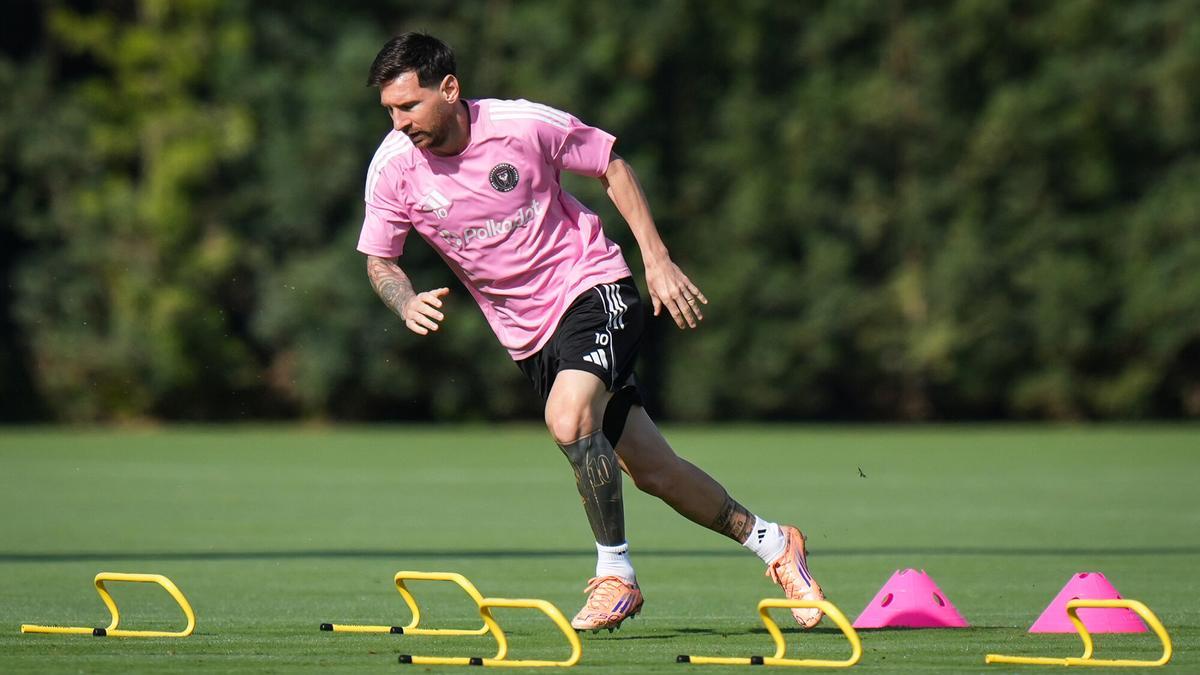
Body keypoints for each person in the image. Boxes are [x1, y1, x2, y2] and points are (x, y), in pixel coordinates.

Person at [356, 32, 824, 632]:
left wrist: (656, 259)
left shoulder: (522, 125)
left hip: (593, 288)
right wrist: (404, 301)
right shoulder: (394, 168)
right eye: (389, 111)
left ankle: (616, 576)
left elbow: (611, 163)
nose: (399, 123)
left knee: (566, 417)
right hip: (530, 339)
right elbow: (380, 259)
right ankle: (774, 543)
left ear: (449, 89)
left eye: (409, 106)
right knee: (654, 470)